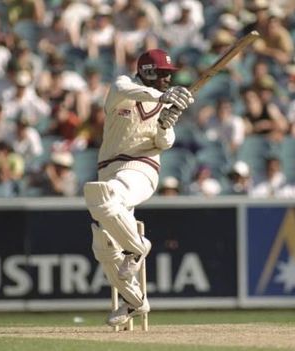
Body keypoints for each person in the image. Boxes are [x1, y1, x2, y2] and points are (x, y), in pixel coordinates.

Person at [83, 49, 193, 328]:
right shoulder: (122, 88)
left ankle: (138, 247)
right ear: (147, 71)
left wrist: (166, 126)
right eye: (163, 74)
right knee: (104, 246)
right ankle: (135, 301)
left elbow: (164, 143)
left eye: (170, 75)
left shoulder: (162, 103)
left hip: (141, 169)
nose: (168, 79)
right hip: (110, 167)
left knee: (105, 194)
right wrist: (163, 99)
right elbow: (130, 90)